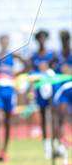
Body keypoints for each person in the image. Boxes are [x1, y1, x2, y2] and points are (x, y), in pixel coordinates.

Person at [0, 36, 26, 162]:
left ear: (9, 43)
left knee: (8, 122)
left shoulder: (12, 56)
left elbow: (28, 65)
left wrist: (19, 59)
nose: (5, 44)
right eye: (3, 41)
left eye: (7, 42)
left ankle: (5, 150)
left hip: (9, 92)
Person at [29, 30, 54, 158]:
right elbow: (31, 73)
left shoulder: (51, 54)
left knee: (54, 117)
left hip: (52, 89)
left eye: (44, 38)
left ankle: (57, 144)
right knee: (44, 117)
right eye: (40, 38)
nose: (42, 40)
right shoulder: (34, 56)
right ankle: (46, 146)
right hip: (40, 91)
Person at [52, 30, 72, 159]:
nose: (64, 41)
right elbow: (52, 69)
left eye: (65, 39)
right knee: (61, 116)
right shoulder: (57, 55)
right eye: (62, 39)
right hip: (62, 91)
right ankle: (60, 144)